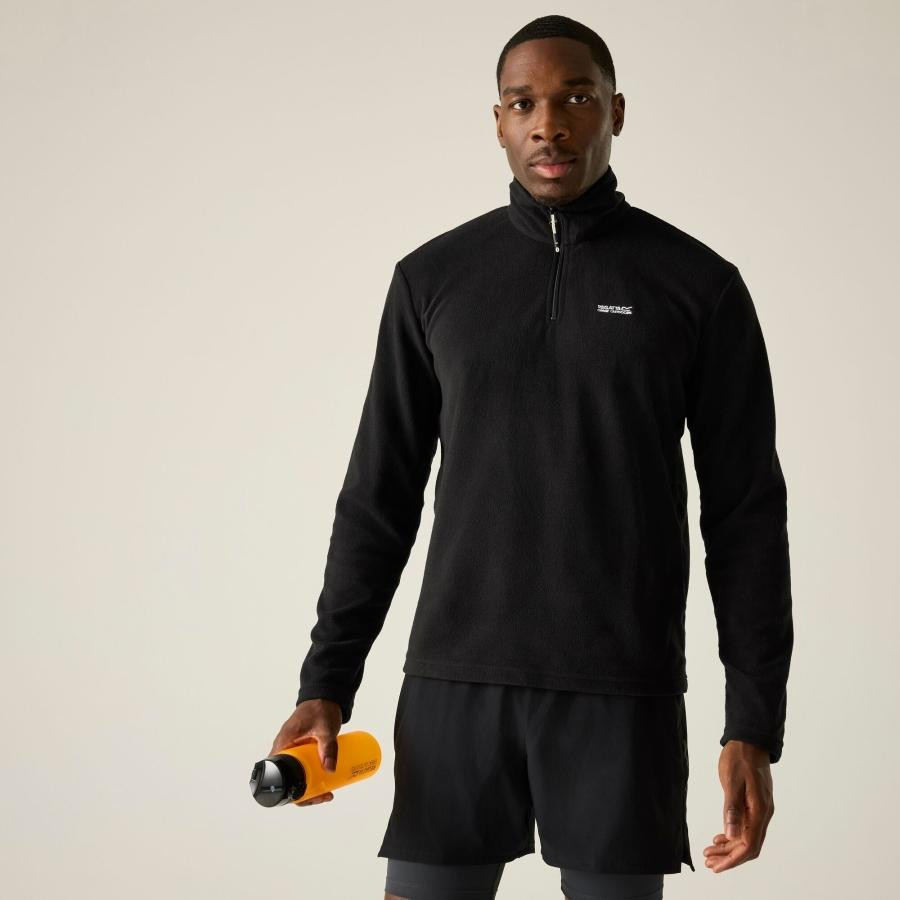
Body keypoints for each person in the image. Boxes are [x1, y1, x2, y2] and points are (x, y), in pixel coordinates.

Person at [269, 14, 793, 900]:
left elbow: (745, 517)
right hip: (454, 684)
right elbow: (378, 498)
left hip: (620, 691)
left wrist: (753, 724)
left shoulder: (697, 286)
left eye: (575, 99)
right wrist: (327, 682)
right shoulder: (433, 279)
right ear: (499, 121)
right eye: (524, 104)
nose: (549, 124)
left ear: (616, 111)